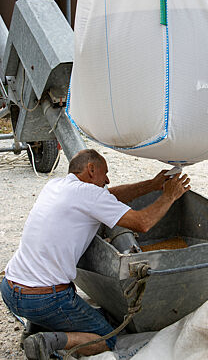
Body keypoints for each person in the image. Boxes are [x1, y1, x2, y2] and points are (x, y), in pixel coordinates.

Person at [1, 149, 190, 359]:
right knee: (105, 338)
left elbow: (109, 196)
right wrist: (169, 195)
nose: (107, 179)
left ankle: (34, 329)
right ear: (91, 169)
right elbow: (143, 223)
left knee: (49, 281)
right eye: (105, 173)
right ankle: (47, 342)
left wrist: (152, 185)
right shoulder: (89, 195)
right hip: (44, 299)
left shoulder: (56, 185)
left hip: (10, 289)